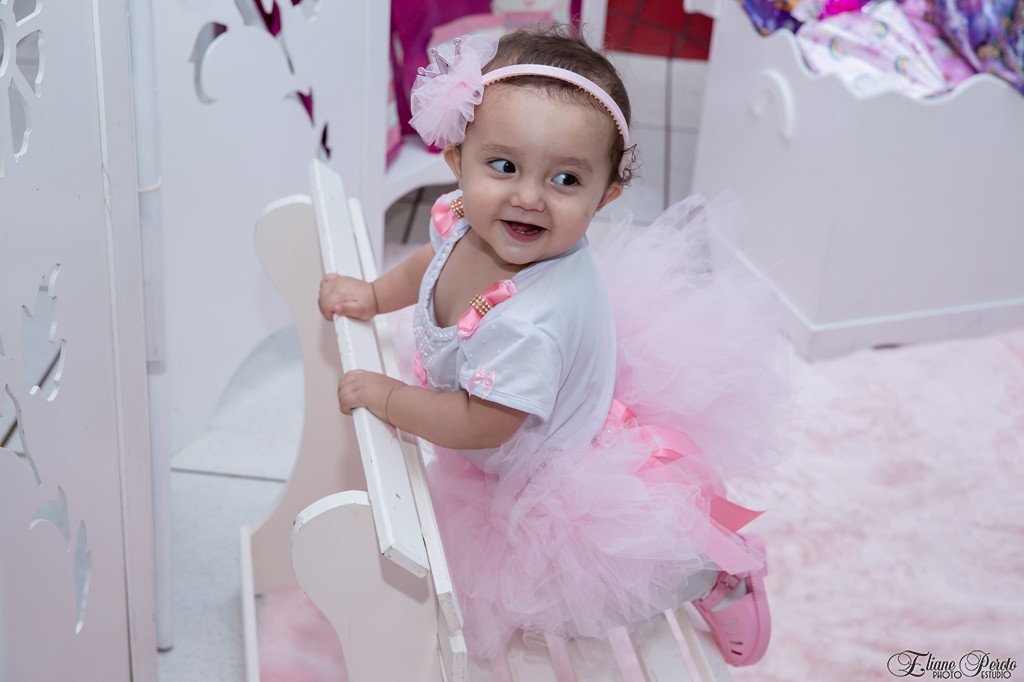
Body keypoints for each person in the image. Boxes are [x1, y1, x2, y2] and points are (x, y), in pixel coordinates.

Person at [318, 24, 784, 667]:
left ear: (606, 194)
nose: (528, 197)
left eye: (566, 179)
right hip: (512, 398)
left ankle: (713, 573)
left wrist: (389, 397)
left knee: (596, 595)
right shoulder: (466, 218)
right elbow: (434, 260)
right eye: (503, 166)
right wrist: (374, 295)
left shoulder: (528, 328)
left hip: (547, 468)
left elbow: (480, 424)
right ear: (456, 159)